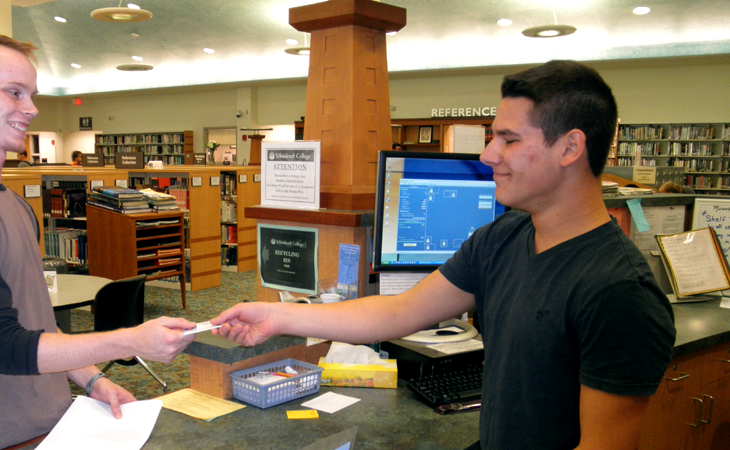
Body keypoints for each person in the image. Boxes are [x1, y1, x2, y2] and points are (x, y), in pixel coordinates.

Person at [212, 60, 676, 450]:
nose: (490, 154)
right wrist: (277, 317)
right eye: (493, 137)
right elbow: (398, 312)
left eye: (509, 140)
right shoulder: (502, 238)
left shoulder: (618, 292)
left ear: (571, 147)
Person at [0, 32, 196, 450]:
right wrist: (130, 339)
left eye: (31, 94)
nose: (31, 108)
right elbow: (2, 345)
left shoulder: (12, 202)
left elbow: (37, 320)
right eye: (14, 92)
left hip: (54, 420)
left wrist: (92, 378)